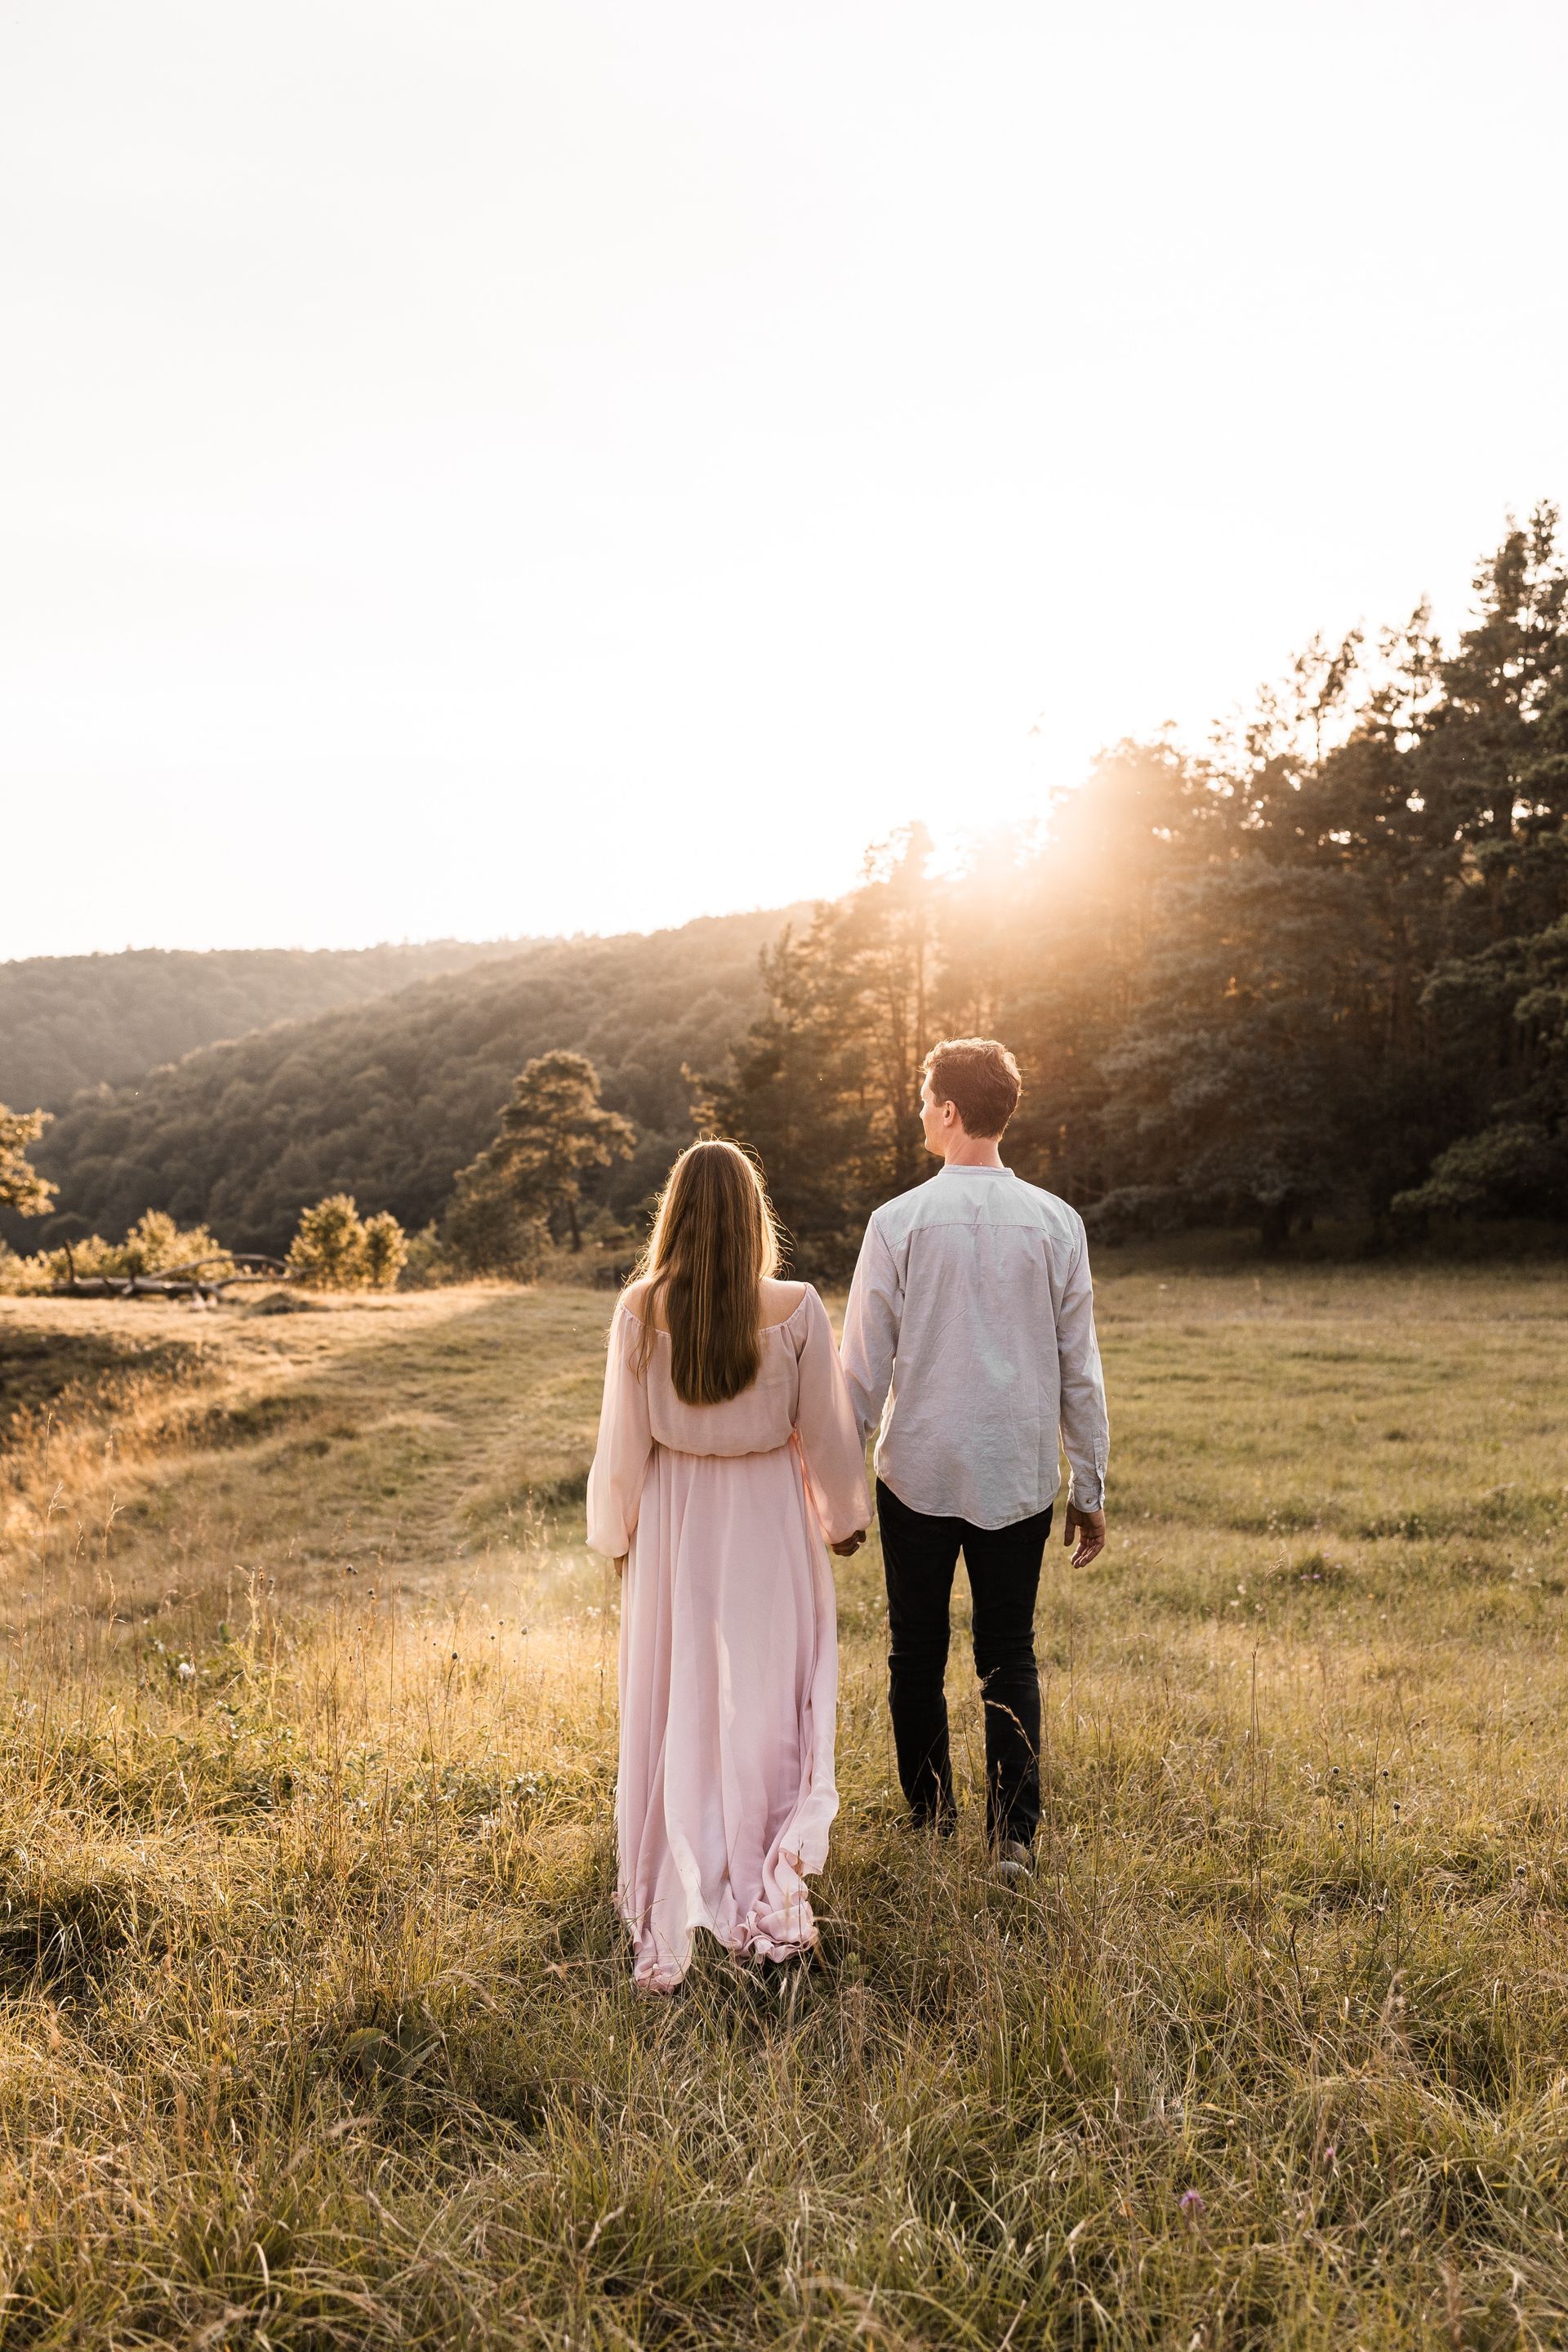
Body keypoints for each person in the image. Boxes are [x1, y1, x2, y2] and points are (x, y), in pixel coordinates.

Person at [587, 1138, 871, 1992]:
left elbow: (621, 1442)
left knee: (679, 1696)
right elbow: (826, 1430)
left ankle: (686, 1856)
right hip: (767, 1521)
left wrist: (616, 1533)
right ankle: (763, 1856)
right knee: (766, 1692)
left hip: (676, 1521)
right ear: (754, 1216)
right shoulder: (796, 1307)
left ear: (675, 1210)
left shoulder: (641, 1308)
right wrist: (843, 1522)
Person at [840, 1037, 1108, 1876]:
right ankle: (1013, 1839)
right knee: (1009, 1649)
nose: (921, 1112)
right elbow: (1081, 1369)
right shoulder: (1058, 1223)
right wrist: (1088, 1485)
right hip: (1017, 1475)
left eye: (926, 1100)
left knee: (915, 1652)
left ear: (950, 1111)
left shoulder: (897, 1223)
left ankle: (931, 1823)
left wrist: (841, 1493)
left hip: (917, 1469)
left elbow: (859, 1369)